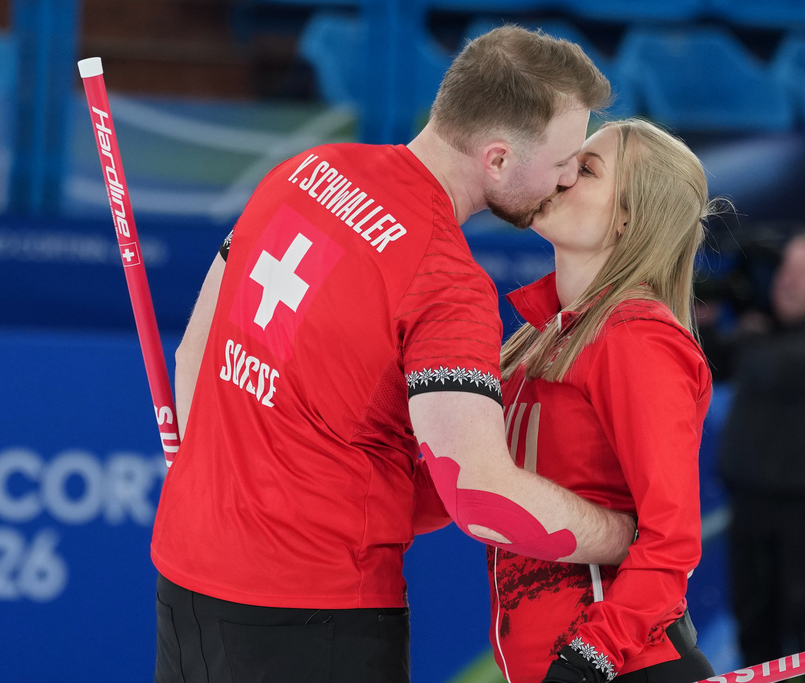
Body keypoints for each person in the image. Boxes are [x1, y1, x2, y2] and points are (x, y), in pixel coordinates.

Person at [150, 26, 639, 683]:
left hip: (185, 582)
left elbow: (194, 352)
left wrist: (216, 494)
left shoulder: (305, 170)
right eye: (563, 161)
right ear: (495, 160)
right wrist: (628, 536)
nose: (569, 176)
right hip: (314, 617)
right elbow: (480, 494)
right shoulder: (446, 281)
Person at [477, 119, 719, 683]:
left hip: (622, 668)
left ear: (630, 216)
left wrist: (592, 656)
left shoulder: (637, 338)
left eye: (585, 170)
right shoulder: (538, 341)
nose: (560, 176)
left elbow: (671, 539)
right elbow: (470, 481)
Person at [702, 228, 805, 683]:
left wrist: (749, 320)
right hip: (750, 500)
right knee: (753, 624)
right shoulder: (766, 330)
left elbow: (766, 365)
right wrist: (709, 318)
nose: (787, 282)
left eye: (804, 274)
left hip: (803, 506)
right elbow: (718, 361)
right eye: (785, 269)